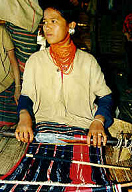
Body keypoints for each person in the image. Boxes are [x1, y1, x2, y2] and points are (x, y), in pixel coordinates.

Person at [15, 0, 113, 147]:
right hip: (45, 132)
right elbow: (26, 96)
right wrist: (24, 116)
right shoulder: (35, 61)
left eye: (53, 21)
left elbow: (105, 97)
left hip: (84, 134)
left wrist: (98, 121)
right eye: (45, 22)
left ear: (71, 26)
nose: (47, 27)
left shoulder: (88, 62)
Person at [0, 23, 21, 126]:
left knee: (8, 123)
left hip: (7, 85)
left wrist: (17, 88)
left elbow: (13, 61)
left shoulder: (1, 31)